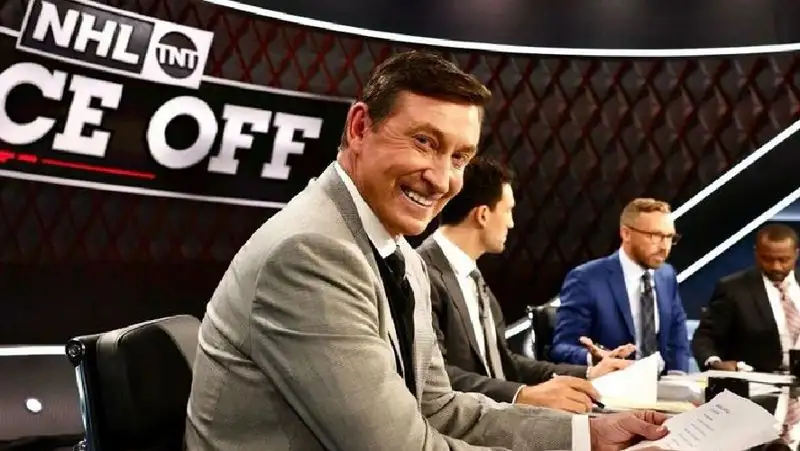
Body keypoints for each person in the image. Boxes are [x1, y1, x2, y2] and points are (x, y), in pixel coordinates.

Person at [184, 51, 670, 451]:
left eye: (459, 157)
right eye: (424, 142)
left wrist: (586, 437)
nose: (441, 179)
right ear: (359, 127)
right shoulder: (311, 253)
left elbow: (439, 407)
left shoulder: (401, 255)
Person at [417, 156, 631, 414]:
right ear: (482, 215)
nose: (511, 223)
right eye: (508, 211)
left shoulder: (471, 276)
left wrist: (588, 373)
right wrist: (523, 395)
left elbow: (504, 363)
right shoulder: (421, 273)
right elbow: (434, 376)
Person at [550, 198, 691, 373]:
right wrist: (594, 358)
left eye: (669, 237)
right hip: (610, 383)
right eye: (654, 236)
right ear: (626, 234)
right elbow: (561, 347)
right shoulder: (586, 279)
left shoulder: (667, 275)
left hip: (660, 384)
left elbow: (677, 341)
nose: (664, 247)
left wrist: (679, 379)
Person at [693, 222, 800, 373]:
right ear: (756, 253)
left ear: (796, 254)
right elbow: (705, 338)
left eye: (784, 260)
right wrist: (714, 363)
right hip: (754, 380)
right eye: (767, 259)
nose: (776, 266)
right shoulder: (732, 288)